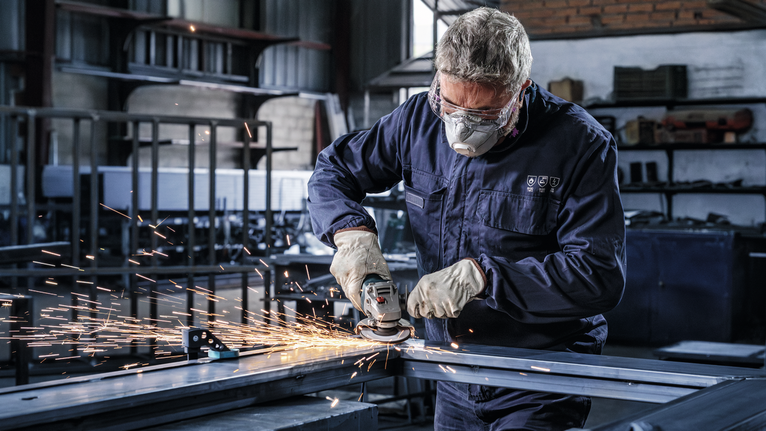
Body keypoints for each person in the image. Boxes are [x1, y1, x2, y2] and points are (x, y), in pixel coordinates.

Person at [307, 7, 626, 430]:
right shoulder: (416, 120)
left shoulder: (580, 144)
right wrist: (351, 235)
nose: (460, 129)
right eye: (450, 105)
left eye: (484, 116)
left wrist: (483, 277)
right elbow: (334, 171)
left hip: (540, 376)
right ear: (437, 79)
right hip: (451, 369)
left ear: (520, 90)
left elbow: (598, 275)